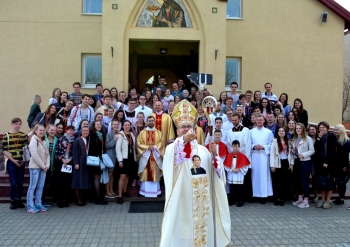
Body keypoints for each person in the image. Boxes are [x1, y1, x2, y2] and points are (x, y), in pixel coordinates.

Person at [160, 99, 231, 247]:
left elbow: (217, 175)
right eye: (182, 127)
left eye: (189, 126)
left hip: (203, 202)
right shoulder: (172, 148)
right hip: (183, 200)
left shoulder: (204, 150)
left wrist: (215, 156)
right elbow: (176, 158)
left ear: (195, 128)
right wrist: (184, 139)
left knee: (203, 235)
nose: (186, 129)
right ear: (177, 130)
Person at [3, 118, 28, 209]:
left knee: (20, 182)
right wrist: (13, 160)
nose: (17, 125)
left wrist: (24, 160)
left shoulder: (22, 135)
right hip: (11, 161)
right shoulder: (7, 135)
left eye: (19, 124)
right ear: (12, 124)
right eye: (16, 124)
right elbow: (4, 150)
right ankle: (12, 200)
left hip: (21, 161)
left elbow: (26, 149)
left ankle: (19, 199)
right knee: (13, 182)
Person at [250, 114, 274, 204]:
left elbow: (272, 144)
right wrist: (254, 146)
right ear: (255, 121)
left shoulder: (268, 132)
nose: (259, 121)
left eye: (261, 120)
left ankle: (263, 195)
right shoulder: (251, 131)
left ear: (264, 121)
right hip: (254, 156)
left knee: (264, 175)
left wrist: (263, 146)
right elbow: (249, 143)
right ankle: (255, 194)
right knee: (254, 175)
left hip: (264, 156)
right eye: (258, 120)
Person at [137, 116, 164, 197]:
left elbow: (161, 143)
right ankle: (143, 192)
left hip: (155, 155)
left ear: (154, 121)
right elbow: (139, 143)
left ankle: (157, 191)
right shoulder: (142, 133)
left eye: (152, 121)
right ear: (147, 122)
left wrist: (155, 147)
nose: (151, 122)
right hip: (146, 155)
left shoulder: (159, 133)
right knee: (145, 172)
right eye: (149, 121)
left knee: (155, 172)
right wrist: (147, 147)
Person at [26, 124, 50, 213]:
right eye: (40, 130)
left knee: (40, 187)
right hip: (35, 167)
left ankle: (38, 203)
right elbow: (34, 155)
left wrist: (47, 165)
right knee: (33, 186)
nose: (42, 132)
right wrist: (43, 166)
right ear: (35, 131)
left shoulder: (43, 141)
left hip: (43, 168)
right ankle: (30, 205)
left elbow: (47, 154)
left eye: (43, 130)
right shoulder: (33, 140)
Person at [313, 121, 336, 209]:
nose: (322, 129)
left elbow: (331, 150)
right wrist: (318, 138)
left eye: (323, 127)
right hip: (320, 164)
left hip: (329, 163)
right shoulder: (319, 137)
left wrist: (327, 162)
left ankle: (328, 201)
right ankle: (322, 201)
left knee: (329, 182)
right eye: (320, 128)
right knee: (321, 183)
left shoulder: (331, 136)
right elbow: (316, 149)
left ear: (327, 128)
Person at [291, 123, 315, 208]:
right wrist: (294, 151)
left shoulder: (308, 139)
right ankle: (300, 198)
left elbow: (312, 151)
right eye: (296, 128)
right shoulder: (295, 139)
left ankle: (306, 200)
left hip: (305, 161)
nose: (298, 130)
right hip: (297, 162)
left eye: (300, 128)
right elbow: (295, 150)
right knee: (298, 181)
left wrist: (304, 154)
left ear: (303, 129)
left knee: (305, 181)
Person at [270, 127, 294, 206]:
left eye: (282, 131)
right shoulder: (274, 142)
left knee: (285, 182)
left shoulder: (289, 142)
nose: (281, 132)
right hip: (277, 163)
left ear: (285, 132)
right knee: (277, 182)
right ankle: (277, 198)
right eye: (279, 131)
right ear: (277, 133)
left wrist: (291, 164)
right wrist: (272, 165)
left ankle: (282, 198)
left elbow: (291, 154)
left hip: (286, 163)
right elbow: (272, 154)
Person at [224, 140, 250, 207]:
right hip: (232, 174)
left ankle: (241, 201)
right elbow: (226, 165)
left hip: (239, 174)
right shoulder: (229, 155)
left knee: (240, 188)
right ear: (232, 146)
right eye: (234, 146)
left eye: (236, 146)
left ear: (239, 147)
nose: (235, 148)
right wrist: (232, 169)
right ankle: (232, 200)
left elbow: (246, 165)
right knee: (232, 188)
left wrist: (239, 169)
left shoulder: (243, 156)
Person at [116, 120, 137, 204]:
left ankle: (124, 192)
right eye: (125, 125)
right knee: (122, 177)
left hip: (131, 157)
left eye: (128, 125)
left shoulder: (131, 134)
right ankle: (120, 196)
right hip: (124, 158)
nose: (127, 126)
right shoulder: (120, 135)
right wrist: (120, 160)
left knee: (128, 175)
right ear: (123, 126)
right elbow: (118, 148)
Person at [54, 125, 75, 208]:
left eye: (72, 130)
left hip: (69, 162)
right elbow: (57, 150)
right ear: (66, 131)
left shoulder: (74, 140)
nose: (71, 132)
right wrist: (63, 160)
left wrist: (69, 160)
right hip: (60, 162)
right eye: (69, 130)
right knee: (61, 182)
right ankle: (59, 200)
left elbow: (73, 152)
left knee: (67, 182)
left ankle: (65, 199)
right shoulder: (62, 138)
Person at [88, 121, 108, 205]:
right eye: (97, 124)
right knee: (96, 177)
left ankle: (98, 196)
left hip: (100, 158)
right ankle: (97, 198)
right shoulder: (92, 135)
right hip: (94, 158)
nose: (99, 126)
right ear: (93, 126)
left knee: (98, 178)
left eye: (100, 124)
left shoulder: (102, 134)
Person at [72, 126, 91, 206]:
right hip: (79, 163)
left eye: (87, 130)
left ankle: (82, 198)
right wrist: (76, 163)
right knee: (77, 181)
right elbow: (75, 152)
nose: (85, 132)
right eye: (84, 130)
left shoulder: (88, 140)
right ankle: (78, 199)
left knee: (84, 181)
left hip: (86, 163)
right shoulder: (77, 140)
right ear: (81, 131)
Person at [333, 124, 350, 206]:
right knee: (338, 181)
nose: (335, 131)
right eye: (335, 130)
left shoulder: (346, 141)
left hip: (342, 165)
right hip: (336, 164)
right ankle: (340, 197)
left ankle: (342, 198)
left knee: (342, 182)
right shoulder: (335, 139)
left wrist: (345, 166)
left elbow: (346, 155)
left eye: (337, 130)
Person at [42, 124, 58, 207]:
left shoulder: (56, 139)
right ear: (47, 130)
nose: (53, 132)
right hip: (42, 164)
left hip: (51, 165)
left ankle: (43, 200)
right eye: (51, 130)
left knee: (46, 183)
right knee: (41, 183)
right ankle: (39, 200)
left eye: (54, 130)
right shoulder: (43, 138)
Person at [104, 120, 119, 198]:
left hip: (116, 156)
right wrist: (114, 140)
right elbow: (107, 145)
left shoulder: (119, 133)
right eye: (114, 124)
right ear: (112, 125)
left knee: (113, 174)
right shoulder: (109, 134)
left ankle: (111, 190)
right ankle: (107, 191)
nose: (116, 126)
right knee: (109, 175)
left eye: (117, 124)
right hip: (110, 156)